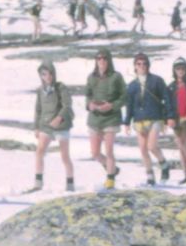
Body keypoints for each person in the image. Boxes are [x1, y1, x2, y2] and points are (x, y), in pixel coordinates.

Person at [124, 53, 173, 186]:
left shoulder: (157, 80)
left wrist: (169, 116)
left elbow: (167, 99)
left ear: (148, 65)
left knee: (151, 146)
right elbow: (129, 104)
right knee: (143, 149)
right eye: (139, 64)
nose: (142, 66)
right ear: (135, 66)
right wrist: (127, 122)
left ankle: (163, 164)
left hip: (155, 117)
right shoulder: (132, 85)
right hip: (139, 120)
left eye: (144, 63)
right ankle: (150, 175)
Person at [31, 59, 75, 192]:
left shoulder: (61, 87)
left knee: (64, 156)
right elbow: (38, 109)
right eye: (44, 74)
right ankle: (38, 183)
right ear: (41, 76)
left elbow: (67, 105)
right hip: (46, 125)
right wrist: (37, 127)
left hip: (61, 125)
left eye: (49, 73)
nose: (47, 77)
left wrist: (59, 117)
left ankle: (70, 184)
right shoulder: (40, 91)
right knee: (39, 151)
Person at [85, 49, 126, 189]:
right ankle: (113, 169)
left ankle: (110, 180)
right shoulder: (91, 77)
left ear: (109, 60)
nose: (101, 61)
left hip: (111, 118)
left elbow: (124, 97)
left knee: (109, 151)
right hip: (95, 118)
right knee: (95, 153)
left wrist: (112, 105)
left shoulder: (116, 77)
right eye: (99, 58)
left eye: (104, 58)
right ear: (96, 61)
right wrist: (89, 105)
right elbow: (88, 95)